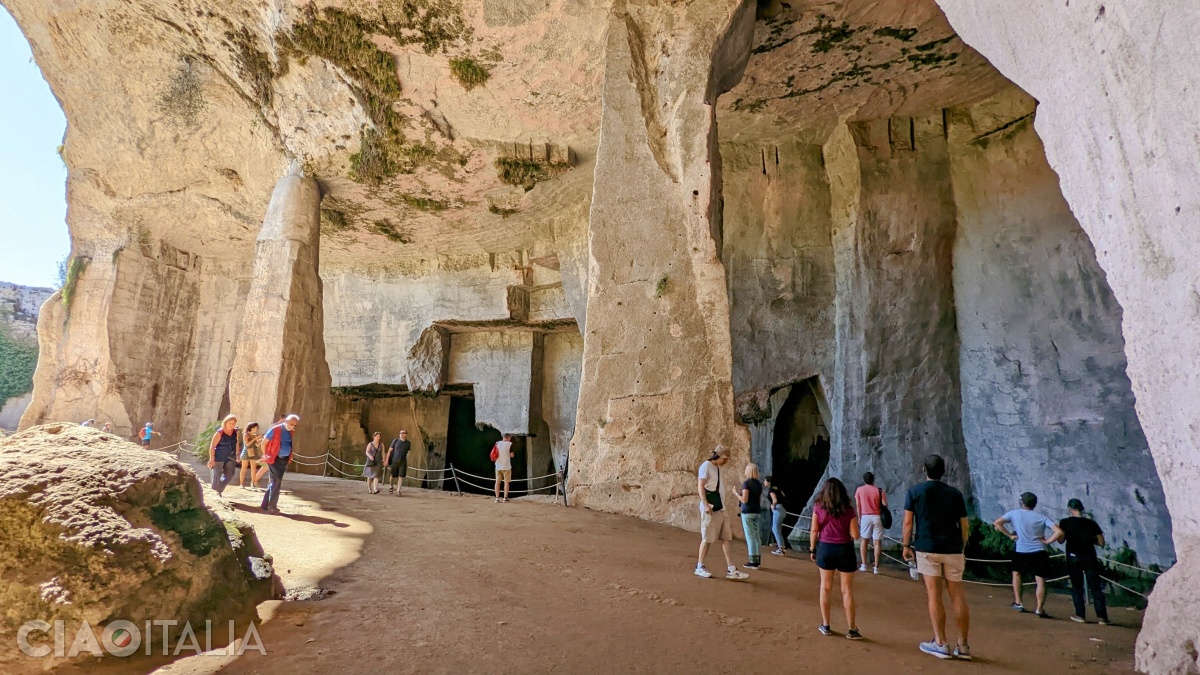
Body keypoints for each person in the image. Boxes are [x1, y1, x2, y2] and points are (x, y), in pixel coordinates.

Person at [903, 454, 971, 661]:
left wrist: (906, 545)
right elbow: (964, 525)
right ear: (943, 471)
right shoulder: (955, 494)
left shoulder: (915, 492)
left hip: (927, 547)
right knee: (957, 595)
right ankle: (963, 646)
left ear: (924, 470)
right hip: (953, 547)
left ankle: (940, 643)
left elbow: (908, 523)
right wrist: (962, 545)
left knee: (934, 594)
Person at [994, 492, 1063, 618]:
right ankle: (1039, 609)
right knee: (1040, 580)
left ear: (1022, 502)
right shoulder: (1042, 517)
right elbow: (1059, 532)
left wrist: (1010, 536)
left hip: (1021, 549)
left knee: (1017, 574)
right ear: (1035, 504)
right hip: (1039, 551)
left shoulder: (1014, 513)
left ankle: (1019, 603)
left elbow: (997, 523)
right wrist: (1047, 541)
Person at [809, 477, 862, 639]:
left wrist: (812, 549)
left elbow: (814, 530)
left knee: (825, 588)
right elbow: (855, 535)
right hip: (845, 549)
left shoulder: (818, 507)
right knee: (847, 590)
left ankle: (826, 625)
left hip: (825, 548)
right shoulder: (848, 509)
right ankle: (852, 629)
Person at [694, 445, 749, 581]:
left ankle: (731, 569)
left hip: (720, 507)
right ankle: (699, 566)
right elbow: (701, 485)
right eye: (724, 459)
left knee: (726, 537)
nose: (726, 461)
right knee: (707, 537)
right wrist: (705, 504)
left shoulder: (717, 467)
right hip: (711, 507)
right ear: (717, 456)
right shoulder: (706, 466)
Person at [1053, 498, 1110, 625]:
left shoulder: (1065, 522)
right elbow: (1101, 542)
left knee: (1077, 587)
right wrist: (1090, 540)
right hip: (1090, 557)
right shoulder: (1091, 523)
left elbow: (1060, 540)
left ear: (1070, 508)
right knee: (1095, 587)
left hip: (1073, 557)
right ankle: (1102, 617)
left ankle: (1080, 615)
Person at [260, 414, 300, 514]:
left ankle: (265, 504)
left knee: (275, 481)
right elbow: (264, 443)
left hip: (284, 459)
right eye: (291, 424)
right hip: (274, 458)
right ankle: (272, 506)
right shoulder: (275, 429)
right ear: (286, 421)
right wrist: (265, 455)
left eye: (295, 425)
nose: (292, 426)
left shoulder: (291, 432)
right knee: (276, 482)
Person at [732, 463, 764, 569]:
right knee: (756, 536)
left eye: (746, 469)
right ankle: (757, 560)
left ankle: (752, 561)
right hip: (757, 511)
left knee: (750, 536)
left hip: (748, 512)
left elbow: (744, 500)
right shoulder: (758, 484)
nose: (744, 471)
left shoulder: (746, 484)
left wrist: (736, 494)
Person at [854, 472, 887, 574]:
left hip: (865, 517)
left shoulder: (859, 490)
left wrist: (859, 517)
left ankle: (864, 565)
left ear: (864, 480)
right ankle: (876, 567)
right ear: (873, 479)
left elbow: (858, 505)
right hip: (877, 517)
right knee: (877, 542)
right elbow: (885, 504)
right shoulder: (879, 490)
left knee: (864, 541)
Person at [207, 414, 239, 497]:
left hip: (230, 457)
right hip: (219, 457)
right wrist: (211, 459)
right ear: (225, 423)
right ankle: (215, 494)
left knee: (229, 475)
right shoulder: (219, 433)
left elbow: (236, 443)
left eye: (233, 423)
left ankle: (219, 489)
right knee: (216, 477)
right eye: (230, 423)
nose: (232, 425)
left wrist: (238, 455)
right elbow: (212, 446)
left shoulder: (235, 432)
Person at [764, 476, 787, 555]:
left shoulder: (771, 490)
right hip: (782, 509)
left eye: (765, 481)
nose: (764, 482)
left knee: (775, 529)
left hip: (777, 510)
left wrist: (773, 506)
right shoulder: (777, 488)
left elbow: (775, 500)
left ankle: (781, 549)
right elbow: (783, 496)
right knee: (778, 529)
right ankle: (782, 546)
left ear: (769, 482)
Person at [385, 430, 411, 496]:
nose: (401, 434)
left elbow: (408, 452)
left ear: (406, 434)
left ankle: (398, 490)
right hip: (395, 460)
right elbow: (390, 450)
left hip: (403, 461)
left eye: (403, 433)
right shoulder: (395, 441)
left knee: (401, 476)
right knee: (392, 475)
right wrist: (387, 460)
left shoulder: (408, 443)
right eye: (400, 433)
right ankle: (391, 486)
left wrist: (408, 460)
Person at [491, 433, 515, 503]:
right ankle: (505, 498)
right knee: (506, 482)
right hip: (506, 466)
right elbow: (512, 455)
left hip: (498, 465)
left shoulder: (497, 443)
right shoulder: (510, 444)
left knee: (497, 482)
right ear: (508, 438)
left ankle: (497, 498)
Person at [239, 422, 263, 490]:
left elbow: (256, 445)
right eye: (256, 427)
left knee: (253, 469)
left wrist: (260, 441)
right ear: (252, 428)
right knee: (244, 468)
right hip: (246, 452)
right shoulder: (246, 435)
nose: (257, 429)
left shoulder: (255, 435)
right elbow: (247, 444)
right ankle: (241, 484)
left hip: (253, 452)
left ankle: (252, 483)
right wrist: (255, 439)